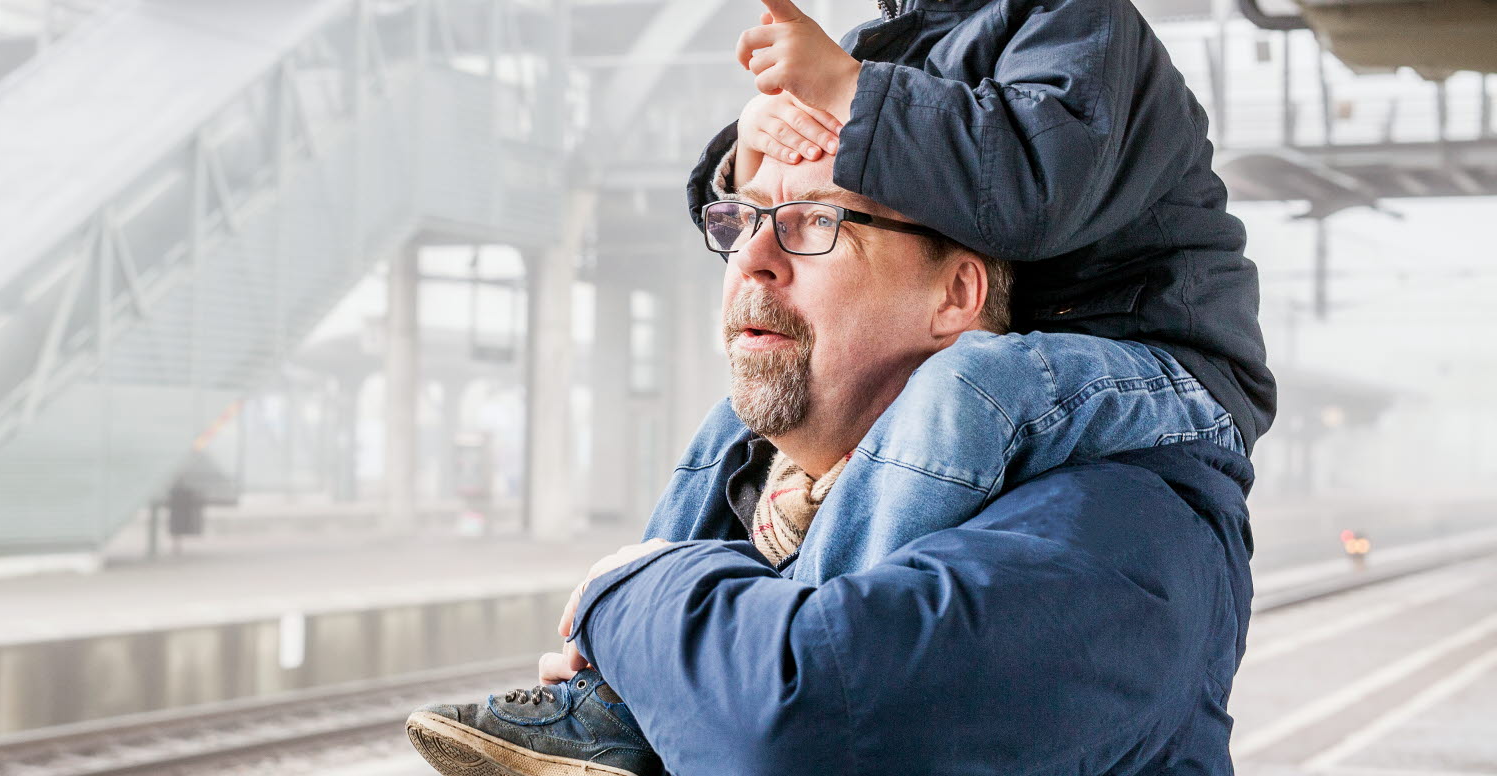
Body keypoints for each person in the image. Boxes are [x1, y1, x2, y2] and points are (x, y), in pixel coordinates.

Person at [405, 0, 1268, 773]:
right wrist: (748, 150)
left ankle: (820, 592)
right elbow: (862, 154)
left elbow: (1034, 187)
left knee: (968, 395)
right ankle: (607, 698)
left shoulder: (1072, 13)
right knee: (740, 415)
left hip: (1154, 361)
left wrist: (637, 596)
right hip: (1031, 348)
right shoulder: (890, 45)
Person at [409, 155, 1253, 774]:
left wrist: (628, 595)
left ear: (956, 295)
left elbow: (801, 722)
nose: (753, 259)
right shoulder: (746, 496)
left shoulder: (1121, 525)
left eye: (815, 222)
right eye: (740, 221)